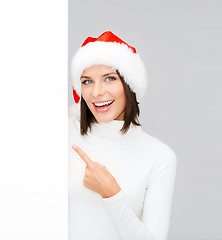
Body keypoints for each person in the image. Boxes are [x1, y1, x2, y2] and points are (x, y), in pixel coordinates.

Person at [68, 31, 177, 240]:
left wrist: (112, 193)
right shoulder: (65, 132)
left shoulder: (160, 157)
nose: (97, 92)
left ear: (130, 84)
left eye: (109, 78)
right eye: (87, 81)